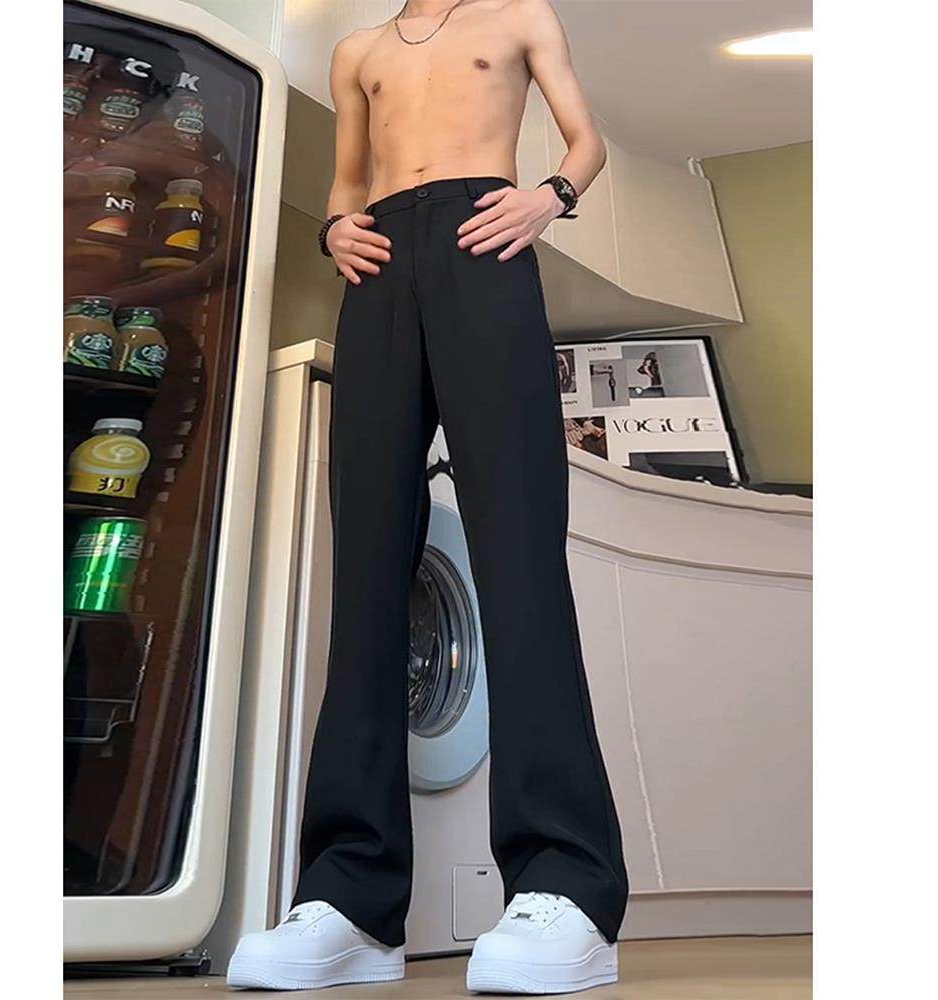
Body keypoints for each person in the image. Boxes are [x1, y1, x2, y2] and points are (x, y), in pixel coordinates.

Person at [229, 0, 628, 993]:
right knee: (366, 577)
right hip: (377, 271)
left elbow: (586, 140)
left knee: (519, 560)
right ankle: (351, 901)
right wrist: (334, 227)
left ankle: (566, 887)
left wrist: (549, 197)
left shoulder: (519, 16)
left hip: (486, 246)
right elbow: (345, 180)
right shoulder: (357, 49)